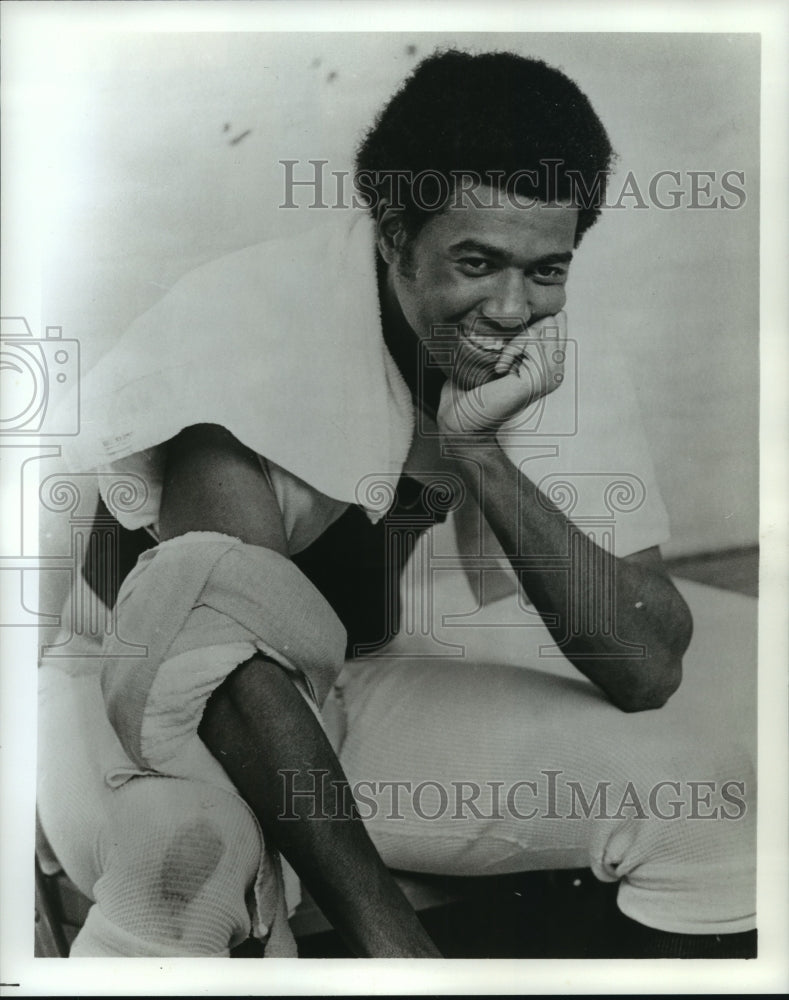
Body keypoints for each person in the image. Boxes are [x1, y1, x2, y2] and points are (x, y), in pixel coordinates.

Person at [37, 49, 756, 958]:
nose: (508, 307)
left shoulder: (544, 337)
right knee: (185, 859)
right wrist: (399, 948)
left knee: (704, 800)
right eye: (475, 261)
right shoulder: (247, 323)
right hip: (134, 688)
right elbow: (224, 669)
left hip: (338, 679)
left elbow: (646, 665)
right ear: (391, 236)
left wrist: (476, 452)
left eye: (545, 269)